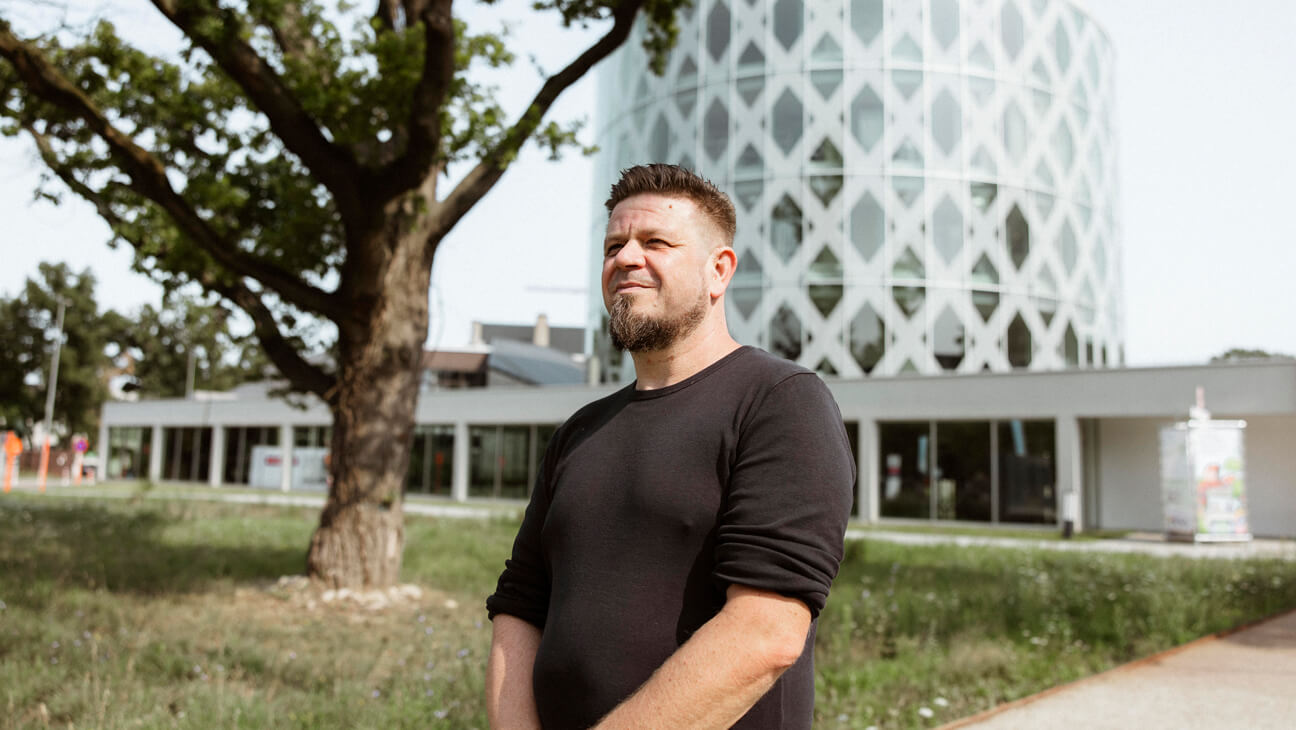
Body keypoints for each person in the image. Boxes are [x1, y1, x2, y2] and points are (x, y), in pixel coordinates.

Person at [485, 164, 855, 729]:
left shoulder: (780, 402)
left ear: (718, 270)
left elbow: (766, 631)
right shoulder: (580, 431)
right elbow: (520, 603)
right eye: (614, 246)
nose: (626, 259)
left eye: (655, 242)